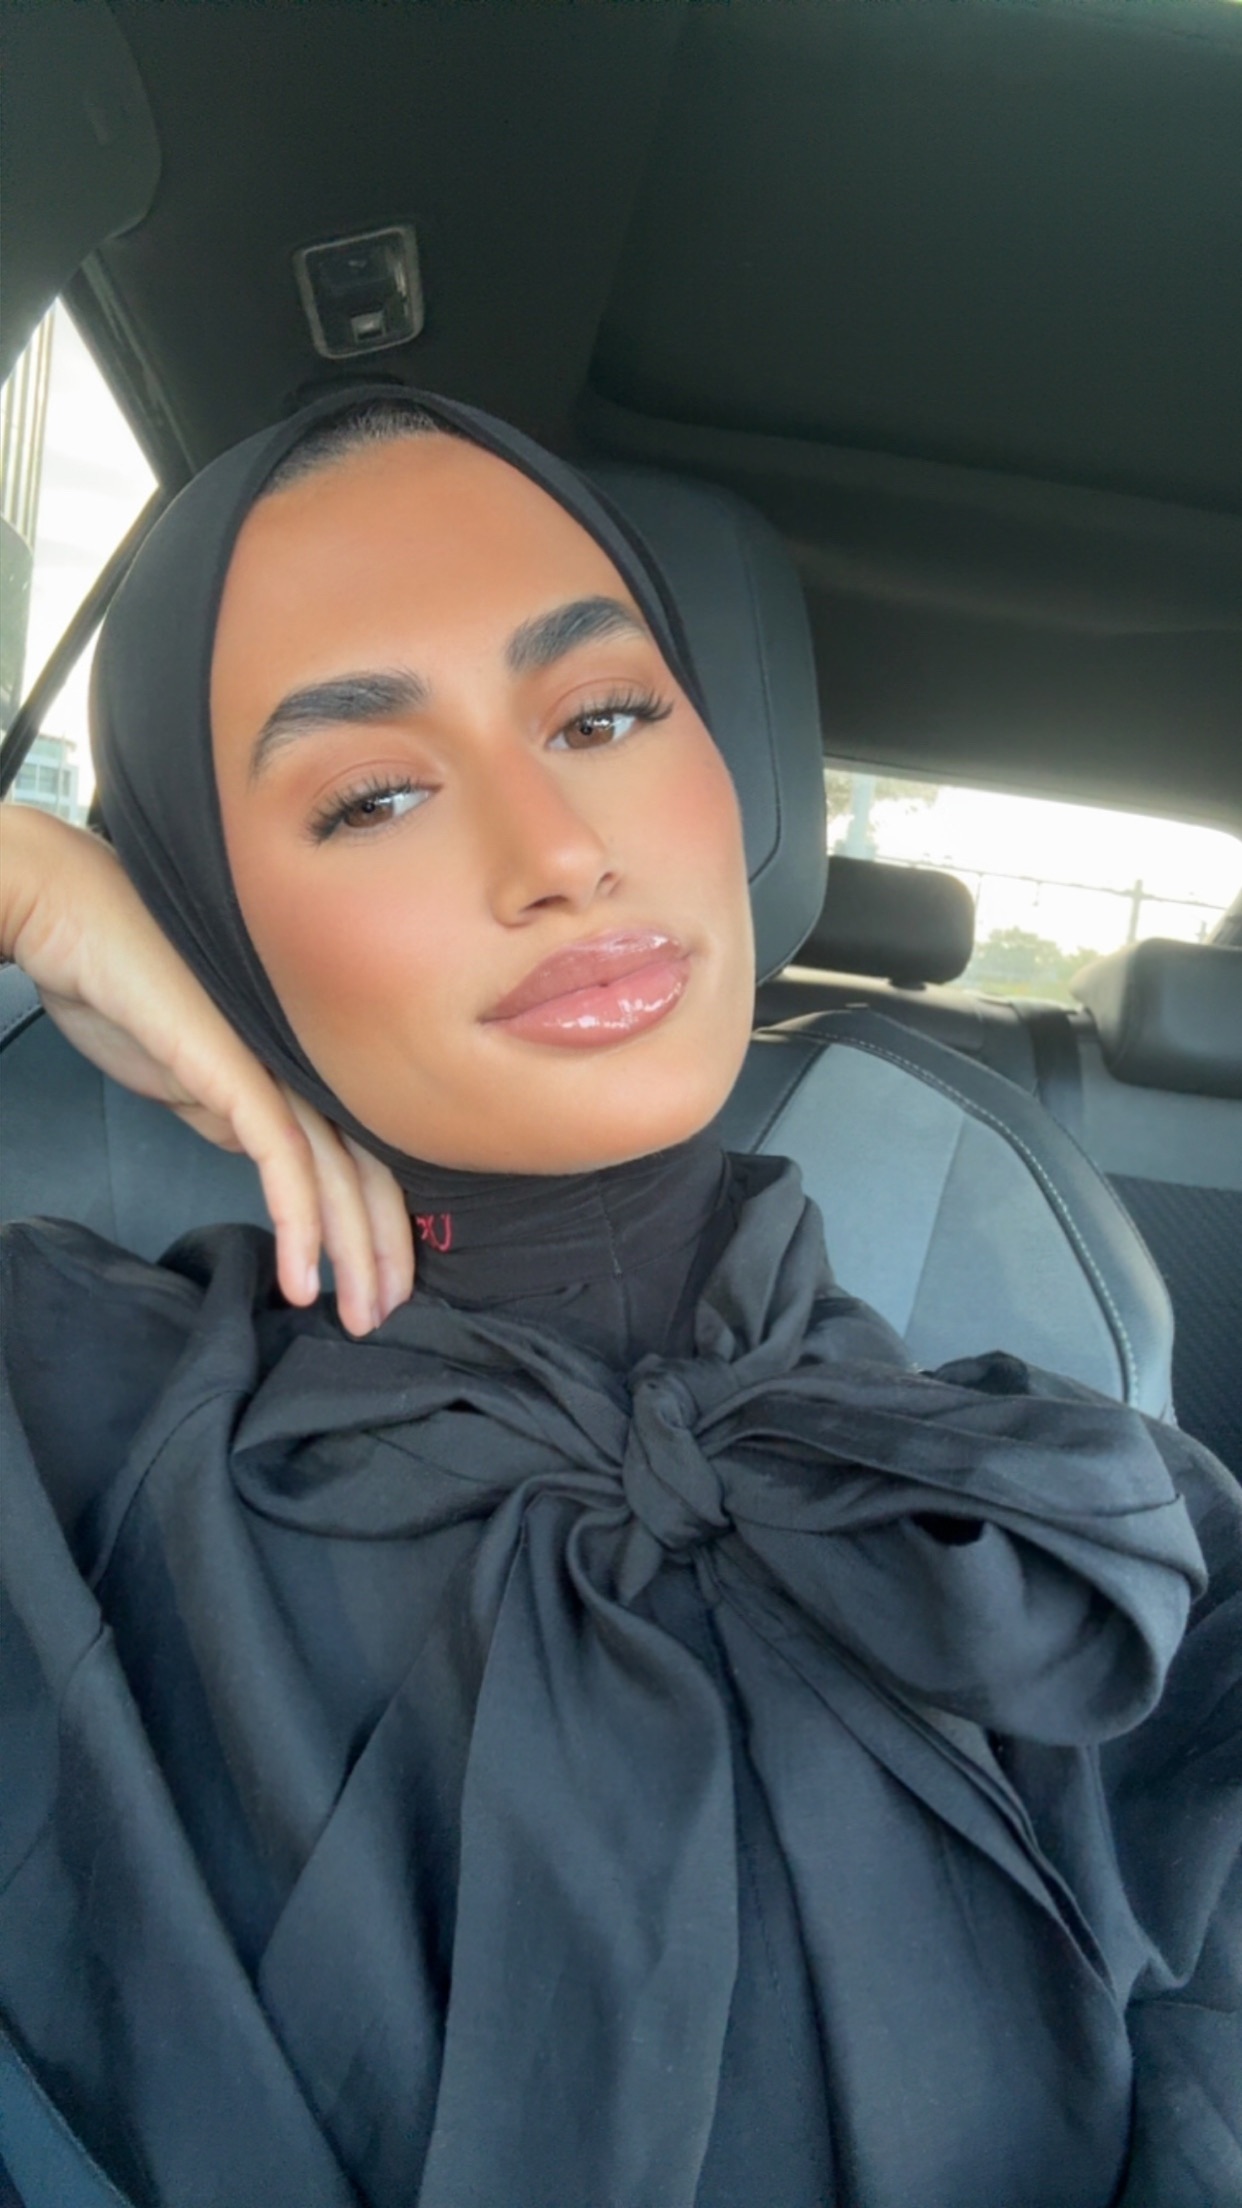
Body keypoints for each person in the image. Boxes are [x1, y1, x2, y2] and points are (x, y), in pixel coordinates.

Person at [1, 390, 1238, 2208]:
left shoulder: (1079, 1509)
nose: (559, 849)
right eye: (372, 795)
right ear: (204, 914)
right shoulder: (62, 1436)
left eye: (601, 717)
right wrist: (33, 887)